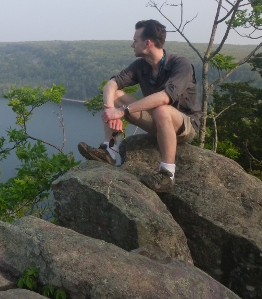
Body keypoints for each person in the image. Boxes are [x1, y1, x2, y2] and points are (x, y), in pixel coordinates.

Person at [79, 19, 201, 193]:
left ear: (148, 43)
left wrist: (122, 111)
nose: (132, 44)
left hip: (184, 125)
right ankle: (109, 151)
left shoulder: (180, 64)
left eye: (135, 40)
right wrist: (110, 110)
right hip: (158, 120)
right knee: (116, 95)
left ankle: (167, 175)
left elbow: (165, 97)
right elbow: (111, 84)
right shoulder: (141, 65)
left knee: (162, 108)